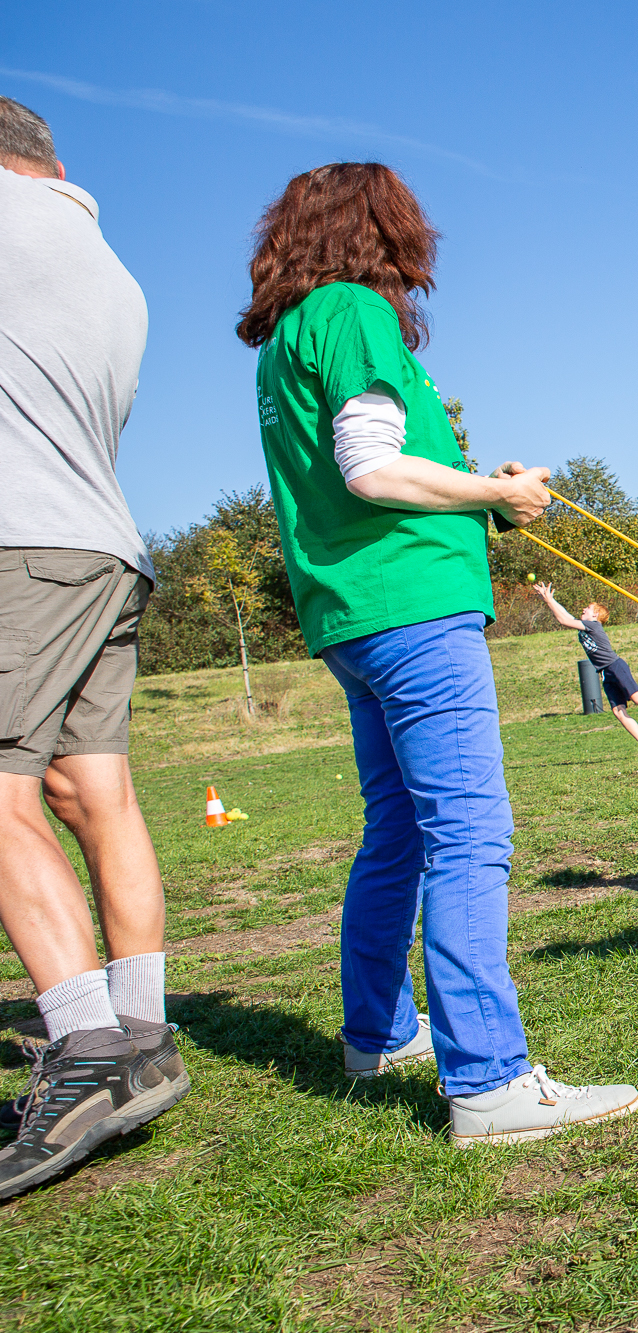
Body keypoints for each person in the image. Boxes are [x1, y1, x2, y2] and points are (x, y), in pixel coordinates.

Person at [238, 162, 638, 1147]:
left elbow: (367, 468)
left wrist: (477, 492)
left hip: (355, 618)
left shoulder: (295, 331)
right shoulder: (353, 312)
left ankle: (378, 1034)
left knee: (401, 833)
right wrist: (496, 497)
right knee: (467, 831)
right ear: (381, 230)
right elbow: (370, 470)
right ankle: (489, 1082)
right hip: (413, 615)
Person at [0, 98, 190, 1199]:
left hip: (17, 546)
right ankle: (140, 1033)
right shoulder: (103, 261)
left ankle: (84, 1055)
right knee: (90, 788)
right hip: (104, 546)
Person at [533, 584, 638, 756]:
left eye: (588, 608)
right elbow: (566, 616)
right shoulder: (586, 625)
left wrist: (549, 601)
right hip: (604, 672)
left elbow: (564, 620)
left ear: (595, 615)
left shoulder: (593, 626)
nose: (583, 609)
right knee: (618, 711)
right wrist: (551, 600)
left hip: (615, 667)